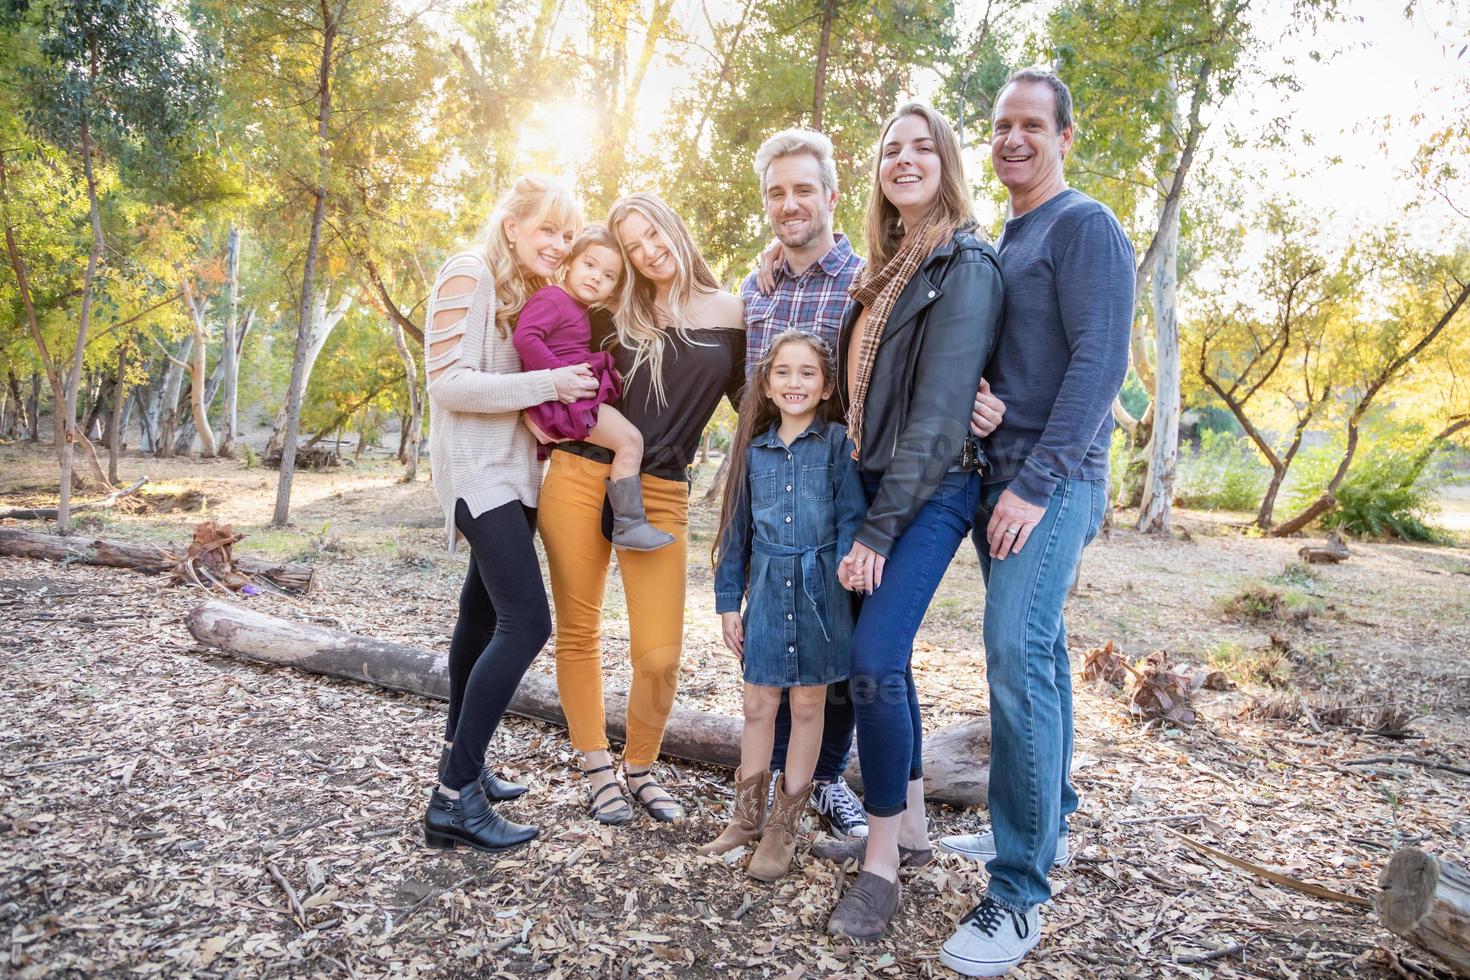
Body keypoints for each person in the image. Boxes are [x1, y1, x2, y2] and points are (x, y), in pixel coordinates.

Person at [936, 68, 1133, 978]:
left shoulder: (1084, 225)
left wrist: (1037, 482)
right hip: (1001, 473)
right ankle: (1040, 824)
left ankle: (1018, 896)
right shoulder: (1009, 238)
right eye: (1001, 125)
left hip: (1049, 486)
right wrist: (987, 405)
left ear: (1064, 135)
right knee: (1042, 652)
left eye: (1030, 125)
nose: (1012, 138)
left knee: (1014, 656)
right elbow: (1023, 361)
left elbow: (1100, 365)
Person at [822, 102, 1005, 941]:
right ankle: (917, 826)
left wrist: (878, 530)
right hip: (866, 486)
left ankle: (883, 864)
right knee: (880, 662)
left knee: (871, 661)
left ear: (946, 161)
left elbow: (938, 417)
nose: (903, 159)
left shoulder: (963, 262)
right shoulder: (884, 269)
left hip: (928, 492)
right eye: (889, 148)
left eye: (920, 147)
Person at [539, 192, 745, 826]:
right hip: (578, 474)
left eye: (652, 234)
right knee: (578, 631)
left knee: (659, 652)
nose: (647, 252)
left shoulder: (733, 313)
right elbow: (562, 370)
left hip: (661, 489)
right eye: (631, 247)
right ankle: (596, 764)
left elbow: (759, 407)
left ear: (675, 227)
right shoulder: (611, 309)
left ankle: (641, 765)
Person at [420, 174, 601, 853]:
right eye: (547, 229)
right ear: (512, 227)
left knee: (483, 614)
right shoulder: (467, 274)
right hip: (477, 474)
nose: (558, 244)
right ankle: (451, 798)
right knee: (528, 623)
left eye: (566, 232)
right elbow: (450, 384)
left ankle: (459, 765)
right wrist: (550, 383)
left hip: (515, 476)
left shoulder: (527, 294)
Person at [739, 129, 868, 840]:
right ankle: (775, 788)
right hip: (772, 476)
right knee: (777, 625)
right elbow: (749, 392)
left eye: (802, 190)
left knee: (835, 640)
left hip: (842, 480)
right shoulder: (756, 290)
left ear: (830, 195)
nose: (790, 204)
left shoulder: (864, 280)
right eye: (777, 193)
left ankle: (822, 782)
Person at [699, 331, 865, 880]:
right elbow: (736, 533)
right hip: (768, 592)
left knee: (811, 705)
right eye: (784, 373)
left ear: (826, 386)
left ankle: (783, 828)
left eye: (808, 373)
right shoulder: (754, 452)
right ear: (767, 386)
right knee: (758, 705)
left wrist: (845, 566)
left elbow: (850, 519)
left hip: (822, 593)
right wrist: (729, 603)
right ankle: (746, 818)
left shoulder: (839, 444)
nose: (795, 382)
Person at [513, 225, 675, 551]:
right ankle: (630, 524)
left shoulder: (577, 306)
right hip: (565, 400)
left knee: (627, 439)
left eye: (609, 276)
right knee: (630, 441)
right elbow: (525, 338)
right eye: (590, 265)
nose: (596, 278)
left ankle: (626, 522)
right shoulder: (553, 298)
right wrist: (559, 376)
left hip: (568, 396)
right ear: (569, 262)